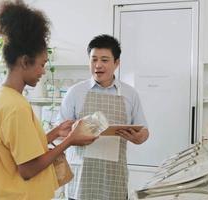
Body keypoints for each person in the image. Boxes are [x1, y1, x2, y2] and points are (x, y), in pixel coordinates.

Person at [0, 1, 97, 200]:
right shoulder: (16, 107)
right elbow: (28, 169)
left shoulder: (6, 98)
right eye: (41, 64)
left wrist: (56, 133)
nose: (43, 72)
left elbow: (22, 150)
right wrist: (70, 140)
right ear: (24, 61)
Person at [57, 34, 150, 200]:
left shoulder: (130, 94)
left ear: (116, 63)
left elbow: (143, 131)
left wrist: (138, 137)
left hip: (114, 177)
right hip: (81, 178)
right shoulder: (75, 92)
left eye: (105, 60)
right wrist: (76, 133)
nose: (98, 65)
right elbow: (60, 130)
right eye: (94, 59)